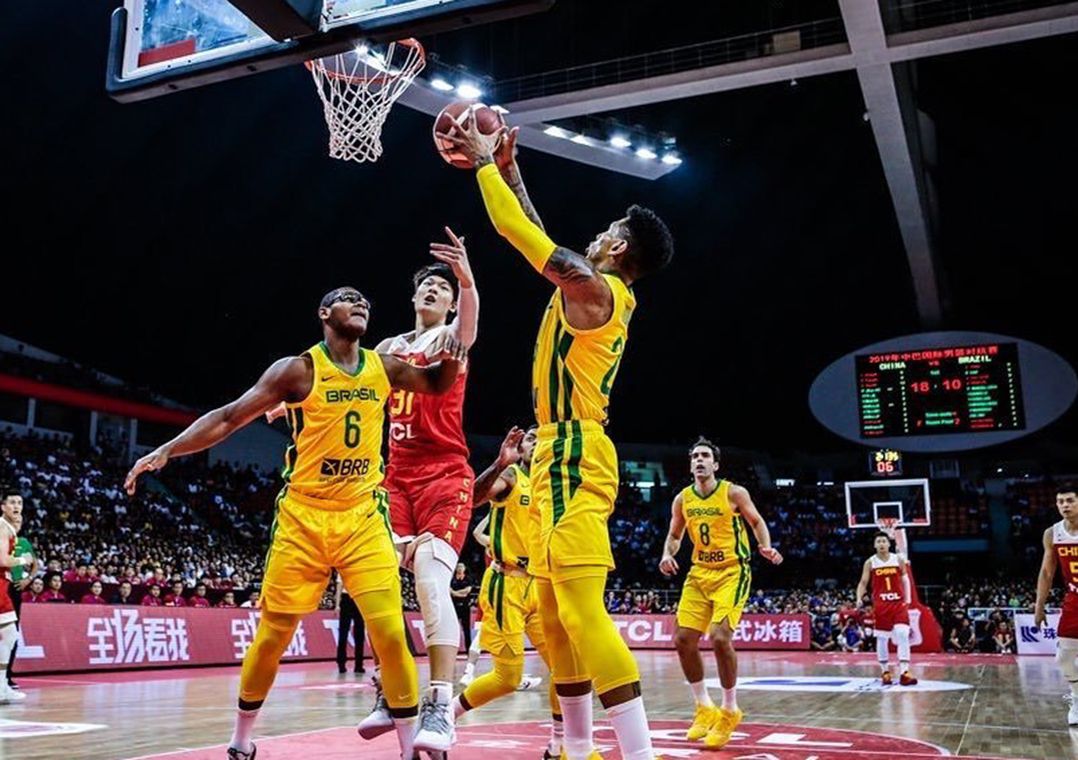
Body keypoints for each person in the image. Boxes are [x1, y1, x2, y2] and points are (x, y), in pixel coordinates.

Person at [125, 285, 465, 760]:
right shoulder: (297, 370)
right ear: (325, 313)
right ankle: (242, 740)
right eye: (350, 299)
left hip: (363, 514)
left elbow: (437, 384)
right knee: (273, 637)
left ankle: (410, 750)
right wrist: (167, 449)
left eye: (366, 300)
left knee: (390, 632)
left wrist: (458, 348)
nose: (362, 303)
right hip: (304, 517)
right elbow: (227, 419)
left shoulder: (383, 366)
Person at [447, 104, 675, 760]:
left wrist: (486, 167)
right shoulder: (589, 287)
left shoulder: (597, 289)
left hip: (576, 449)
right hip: (555, 451)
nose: (600, 234)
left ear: (620, 247)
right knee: (552, 616)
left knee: (579, 611)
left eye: (609, 230)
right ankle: (576, 750)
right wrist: (514, 174)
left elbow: (522, 238)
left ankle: (640, 754)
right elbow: (541, 235)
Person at [371, 232, 479, 752]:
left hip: (444, 471)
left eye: (442, 287)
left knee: (431, 579)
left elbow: (472, 321)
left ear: (451, 302)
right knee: (376, 585)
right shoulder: (388, 348)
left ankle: (441, 701)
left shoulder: (453, 338)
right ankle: (388, 687)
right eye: (427, 286)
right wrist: (295, 406)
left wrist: (465, 277)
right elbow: (348, 387)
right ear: (414, 298)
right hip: (395, 476)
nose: (433, 290)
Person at [659, 438, 782, 748]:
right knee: (683, 640)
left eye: (705, 456)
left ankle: (729, 709)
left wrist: (765, 546)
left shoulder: (734, 492)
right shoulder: (682, 499)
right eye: (695, 456)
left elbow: (757, 522)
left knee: (719, 637)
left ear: (715, 464)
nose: (699, 460)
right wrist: (667, 553)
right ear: (690, 465)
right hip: (699, 573)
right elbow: (675, 536)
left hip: (732, 572)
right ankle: (703, 706)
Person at [451, 426, 562, 758]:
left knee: (567, 668)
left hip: (540, 584)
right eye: (531, 438)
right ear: (524, 448)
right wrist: (499, 464)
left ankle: (559, 743)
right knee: (508, 678)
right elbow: (473, 498)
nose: (537, 443)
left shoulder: (552, 486)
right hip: (507, 583)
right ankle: (445, 714)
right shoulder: (513, 476)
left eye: (543, 440)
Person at [1034, 483, 1078, 725]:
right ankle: (1077, 697)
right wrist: (1039, 606)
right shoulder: (1053, 533)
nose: (1065, 505)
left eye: (1070, 500)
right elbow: (1046, 573)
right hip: (1074, 599)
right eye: (1061, 501)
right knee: (1063, 657)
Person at [856, 532, 918, 686]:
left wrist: (908, 600)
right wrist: (859, 597)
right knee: (882, 638)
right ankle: (885, 671)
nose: (882, 544)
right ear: (875, 545)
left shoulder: (898, 559)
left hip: (898, 604)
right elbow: (863, 583)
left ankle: (904, 672)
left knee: (903, 633)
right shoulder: (870, 562)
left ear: (889, 544)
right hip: (881, 605)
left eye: (884, 541)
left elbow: (905, 579)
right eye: (879, 541)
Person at [2, 496, 37, 691]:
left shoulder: (22, 541)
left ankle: (5, 680)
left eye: (20, 520)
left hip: (13, 589)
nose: (18, 522)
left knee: (10, 634)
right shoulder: (2, 534)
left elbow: (35, 564)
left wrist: (28, 579)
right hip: (3, 587)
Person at [334, 571, 366, 675]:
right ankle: (341, 663)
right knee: (343, 633)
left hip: (358, 598)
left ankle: (359, 664)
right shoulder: (342, 569)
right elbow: (339, 586)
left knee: (359, 634)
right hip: (346, 598)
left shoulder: (361, 569)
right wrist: (337, 605)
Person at [450, 563, 474, 656]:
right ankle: (452, 651)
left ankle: (469, 650)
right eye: (458, 567)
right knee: (453, 629)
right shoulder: (452, 579)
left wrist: (455, 593)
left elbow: (467, 591)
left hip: (465, 606)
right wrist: (459, 593)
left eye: (461, 567)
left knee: (466, 629)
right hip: (454, 606)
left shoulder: (468, 579)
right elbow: (449, 590)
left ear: (464, 569)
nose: (460, 569)